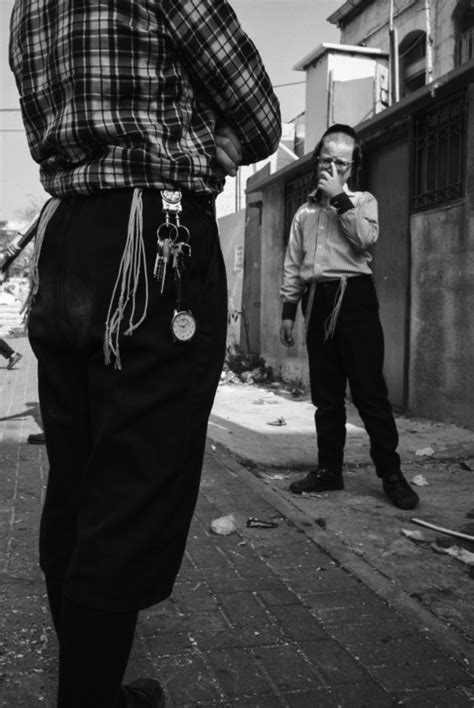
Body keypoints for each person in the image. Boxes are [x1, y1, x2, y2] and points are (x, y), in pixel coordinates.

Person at [9, 2, 281, 707]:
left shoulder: (26, 5)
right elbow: (257, 120)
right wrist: (205, 135)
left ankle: (93, 686)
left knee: (77, 479)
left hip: (65, 238)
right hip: (150, 240)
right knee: (130, 492)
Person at [280, 124, 419, 512]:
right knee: (326, 396)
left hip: (355, 299)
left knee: (370, 393)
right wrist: (289, 312)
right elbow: (294, 264)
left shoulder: (363, 200)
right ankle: (329, 471)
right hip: (318, 300)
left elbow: (365, 240)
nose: (333, 166)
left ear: (351, 167)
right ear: (316, 161)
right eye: (327, 159)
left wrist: (339, 198)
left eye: (341, 162)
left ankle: (391, 475)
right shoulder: (304, 212)